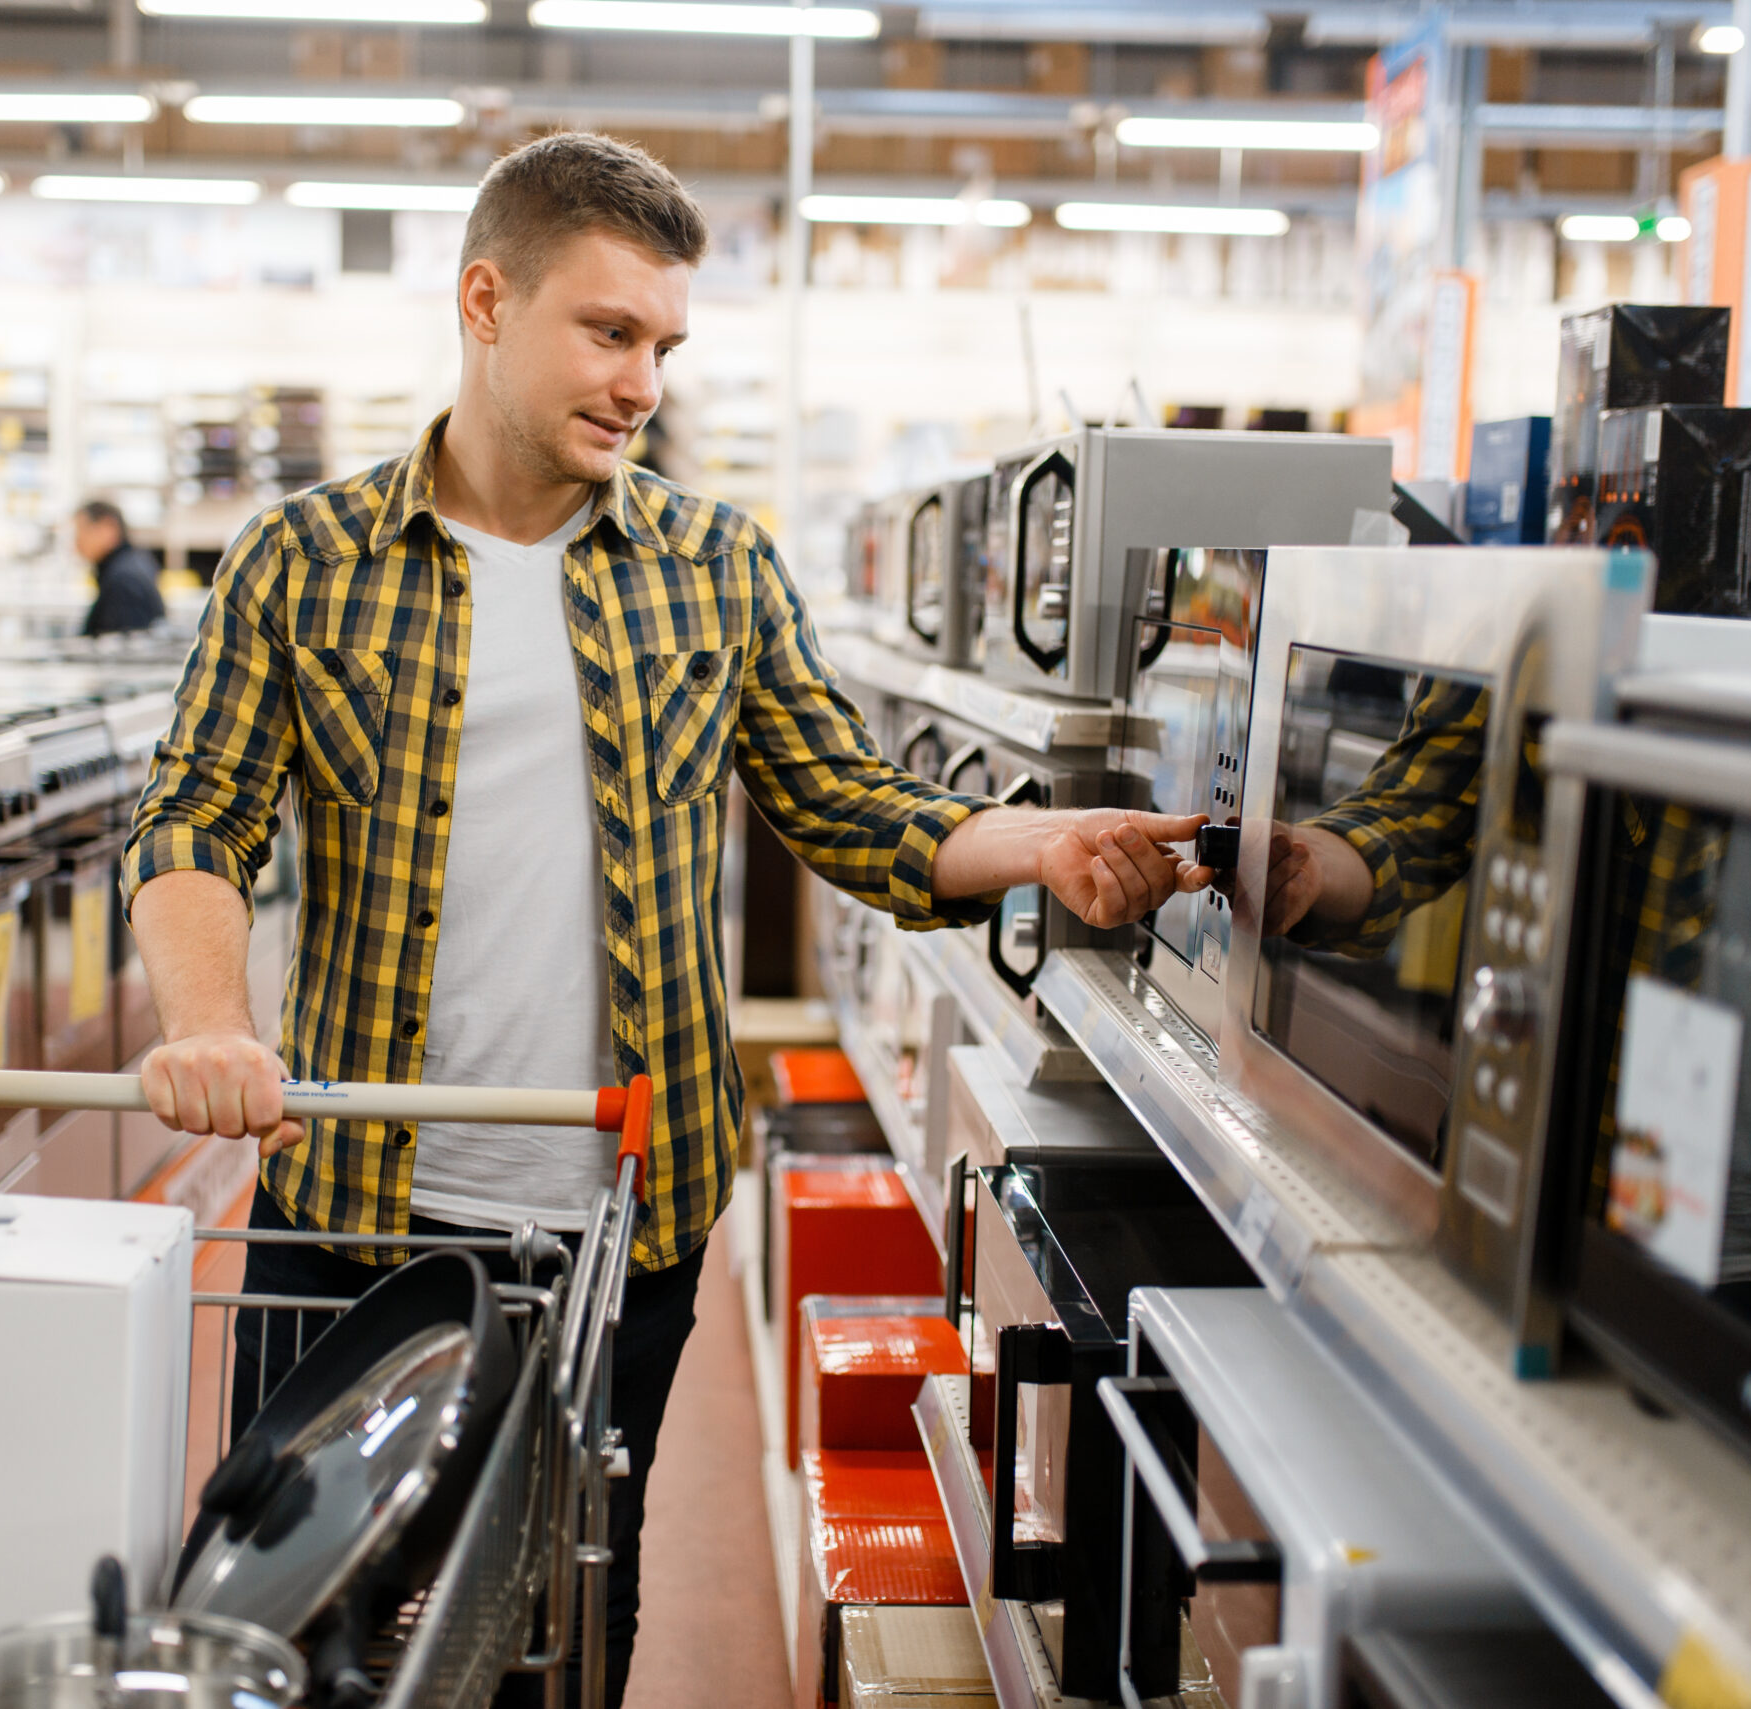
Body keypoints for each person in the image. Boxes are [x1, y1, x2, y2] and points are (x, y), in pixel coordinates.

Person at [120, 131, 1213, 1707]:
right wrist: (209, 1022)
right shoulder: (305, 560)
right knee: (300, 1633)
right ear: (486, 301)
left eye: (665, 345)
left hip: (625, 1219)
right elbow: (195, 818)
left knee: (568, 1629)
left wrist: (1042, 840)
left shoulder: (712, 565)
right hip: (354, 1196)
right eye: (609, 331)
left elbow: (849, 804)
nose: (643, 380)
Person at [70, 498, 167, 637]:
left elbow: (123, 648)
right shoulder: (131, 563)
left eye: (81, 531)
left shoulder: (124, 580)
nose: (77, 542)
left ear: (108, 527)